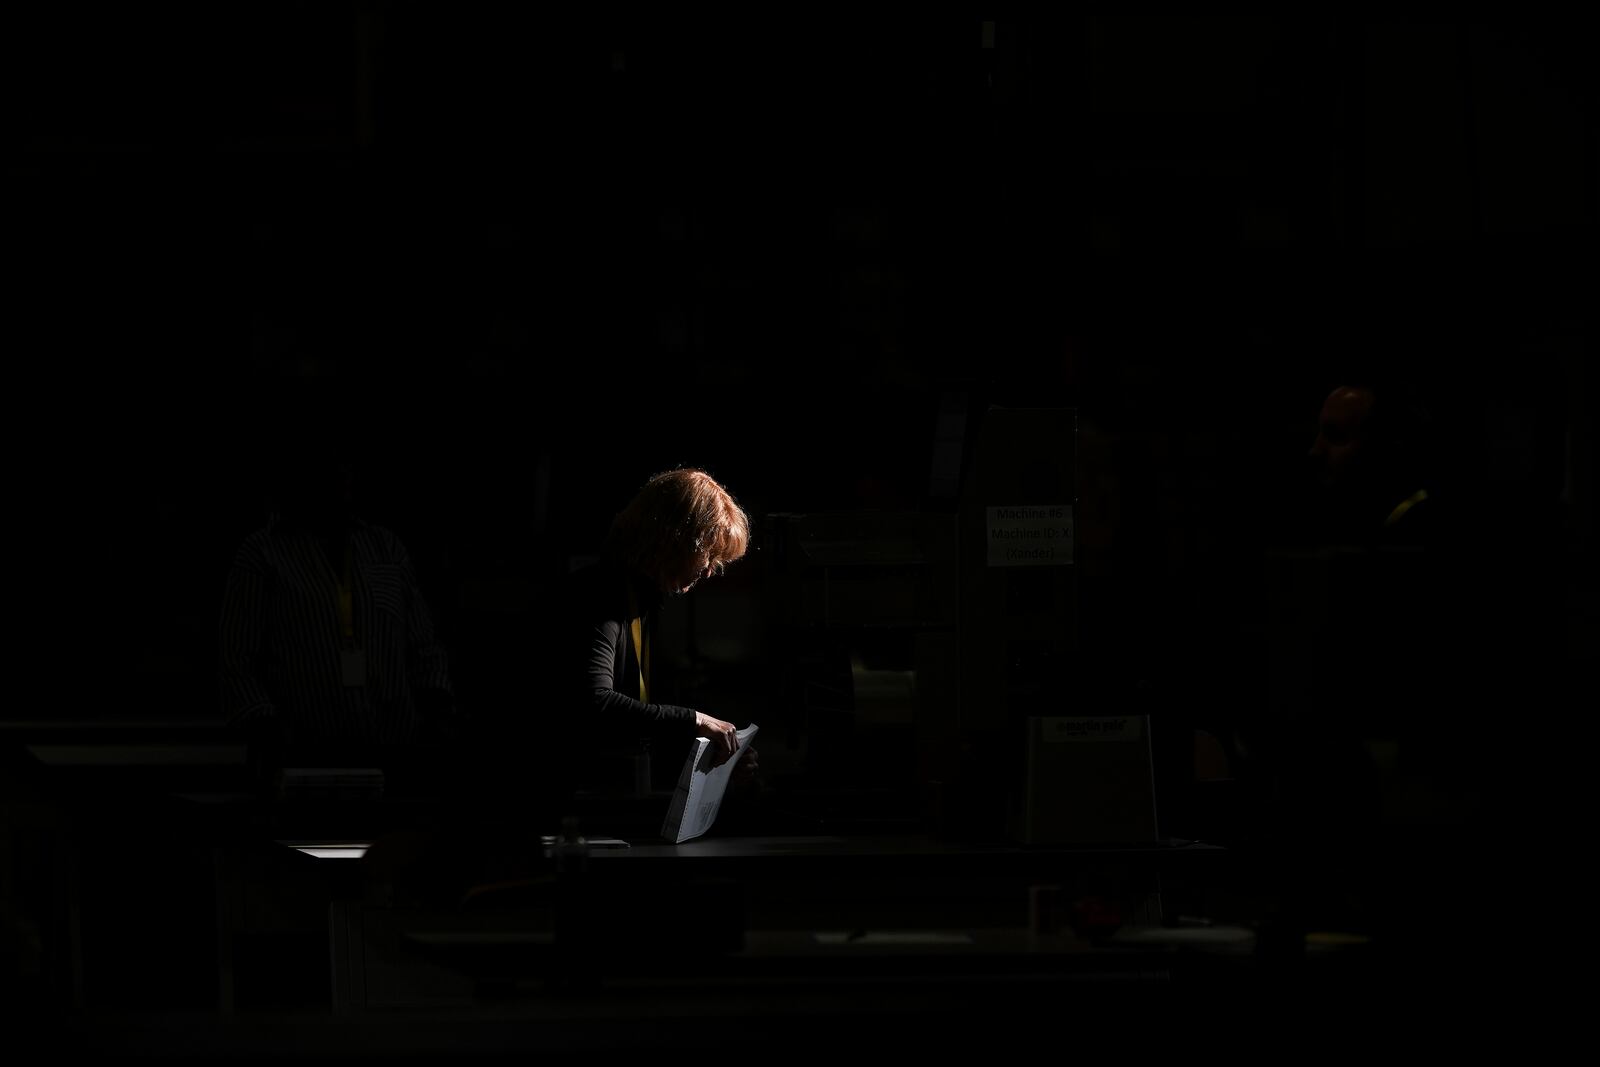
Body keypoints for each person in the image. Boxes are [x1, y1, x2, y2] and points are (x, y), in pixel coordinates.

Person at [219, 432, 459, 771]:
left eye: (346, 465)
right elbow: (238, 661)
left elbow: (423, 645)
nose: (342, 475)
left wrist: (436, 706)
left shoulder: (384, 547)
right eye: (329, 466)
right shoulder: (262, 554)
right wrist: (265, 728)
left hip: (396, 752)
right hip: (305, 759)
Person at [553, 467, 755, 797]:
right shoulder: (598, 596)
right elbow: (595, 703)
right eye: (706, 554)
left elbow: (641, 727)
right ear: (671, 540)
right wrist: (696, 721)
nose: (707, 571)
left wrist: (719, 760)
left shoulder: (640, 603)